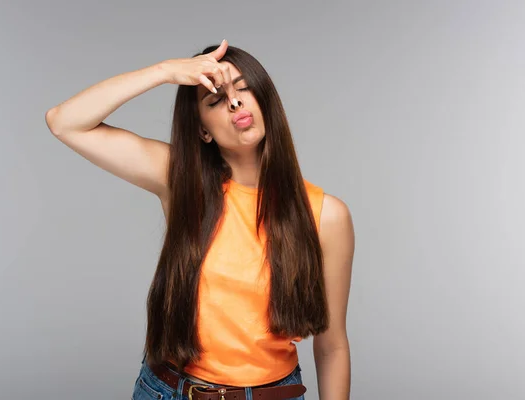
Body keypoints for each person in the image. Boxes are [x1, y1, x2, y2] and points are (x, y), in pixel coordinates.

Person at [45, 39, 354, 400]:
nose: (234, 102)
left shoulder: (326, 214)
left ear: (265, 100)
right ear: (203, 130)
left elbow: (332, 348)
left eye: (243, 89)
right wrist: (164, 72)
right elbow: (64, 122)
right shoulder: (180, 180)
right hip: (168, 390)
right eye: (215, 100)